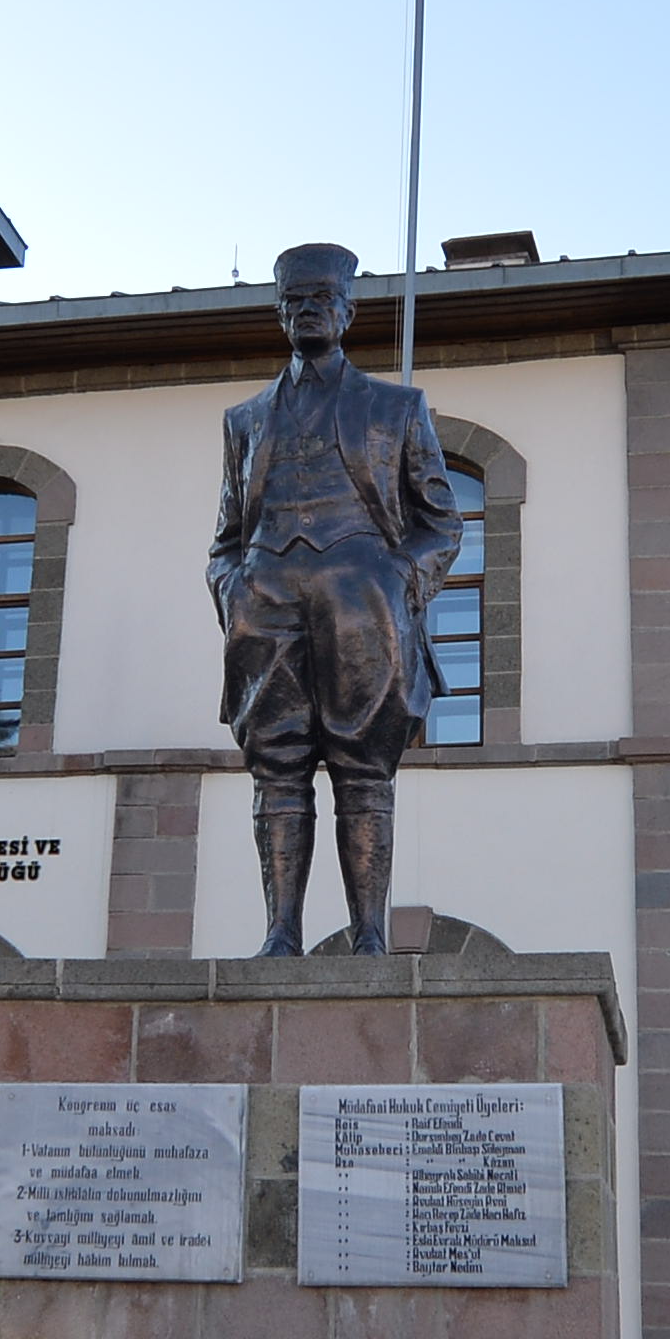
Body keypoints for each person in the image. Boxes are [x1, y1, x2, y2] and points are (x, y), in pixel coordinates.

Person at [204, 243, 454, 954]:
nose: (307, 310)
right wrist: (232, 589)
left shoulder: (396, 407)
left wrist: (395, 583)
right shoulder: (245, 420)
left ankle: (369, 934)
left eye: (321, 298)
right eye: (294, 300)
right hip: (266, 604)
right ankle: (282, 932)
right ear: (280, 313)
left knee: (363, 770)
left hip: (361, 606)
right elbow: (225, 533)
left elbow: (442, 523)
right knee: (276, 768)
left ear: (348, 310)